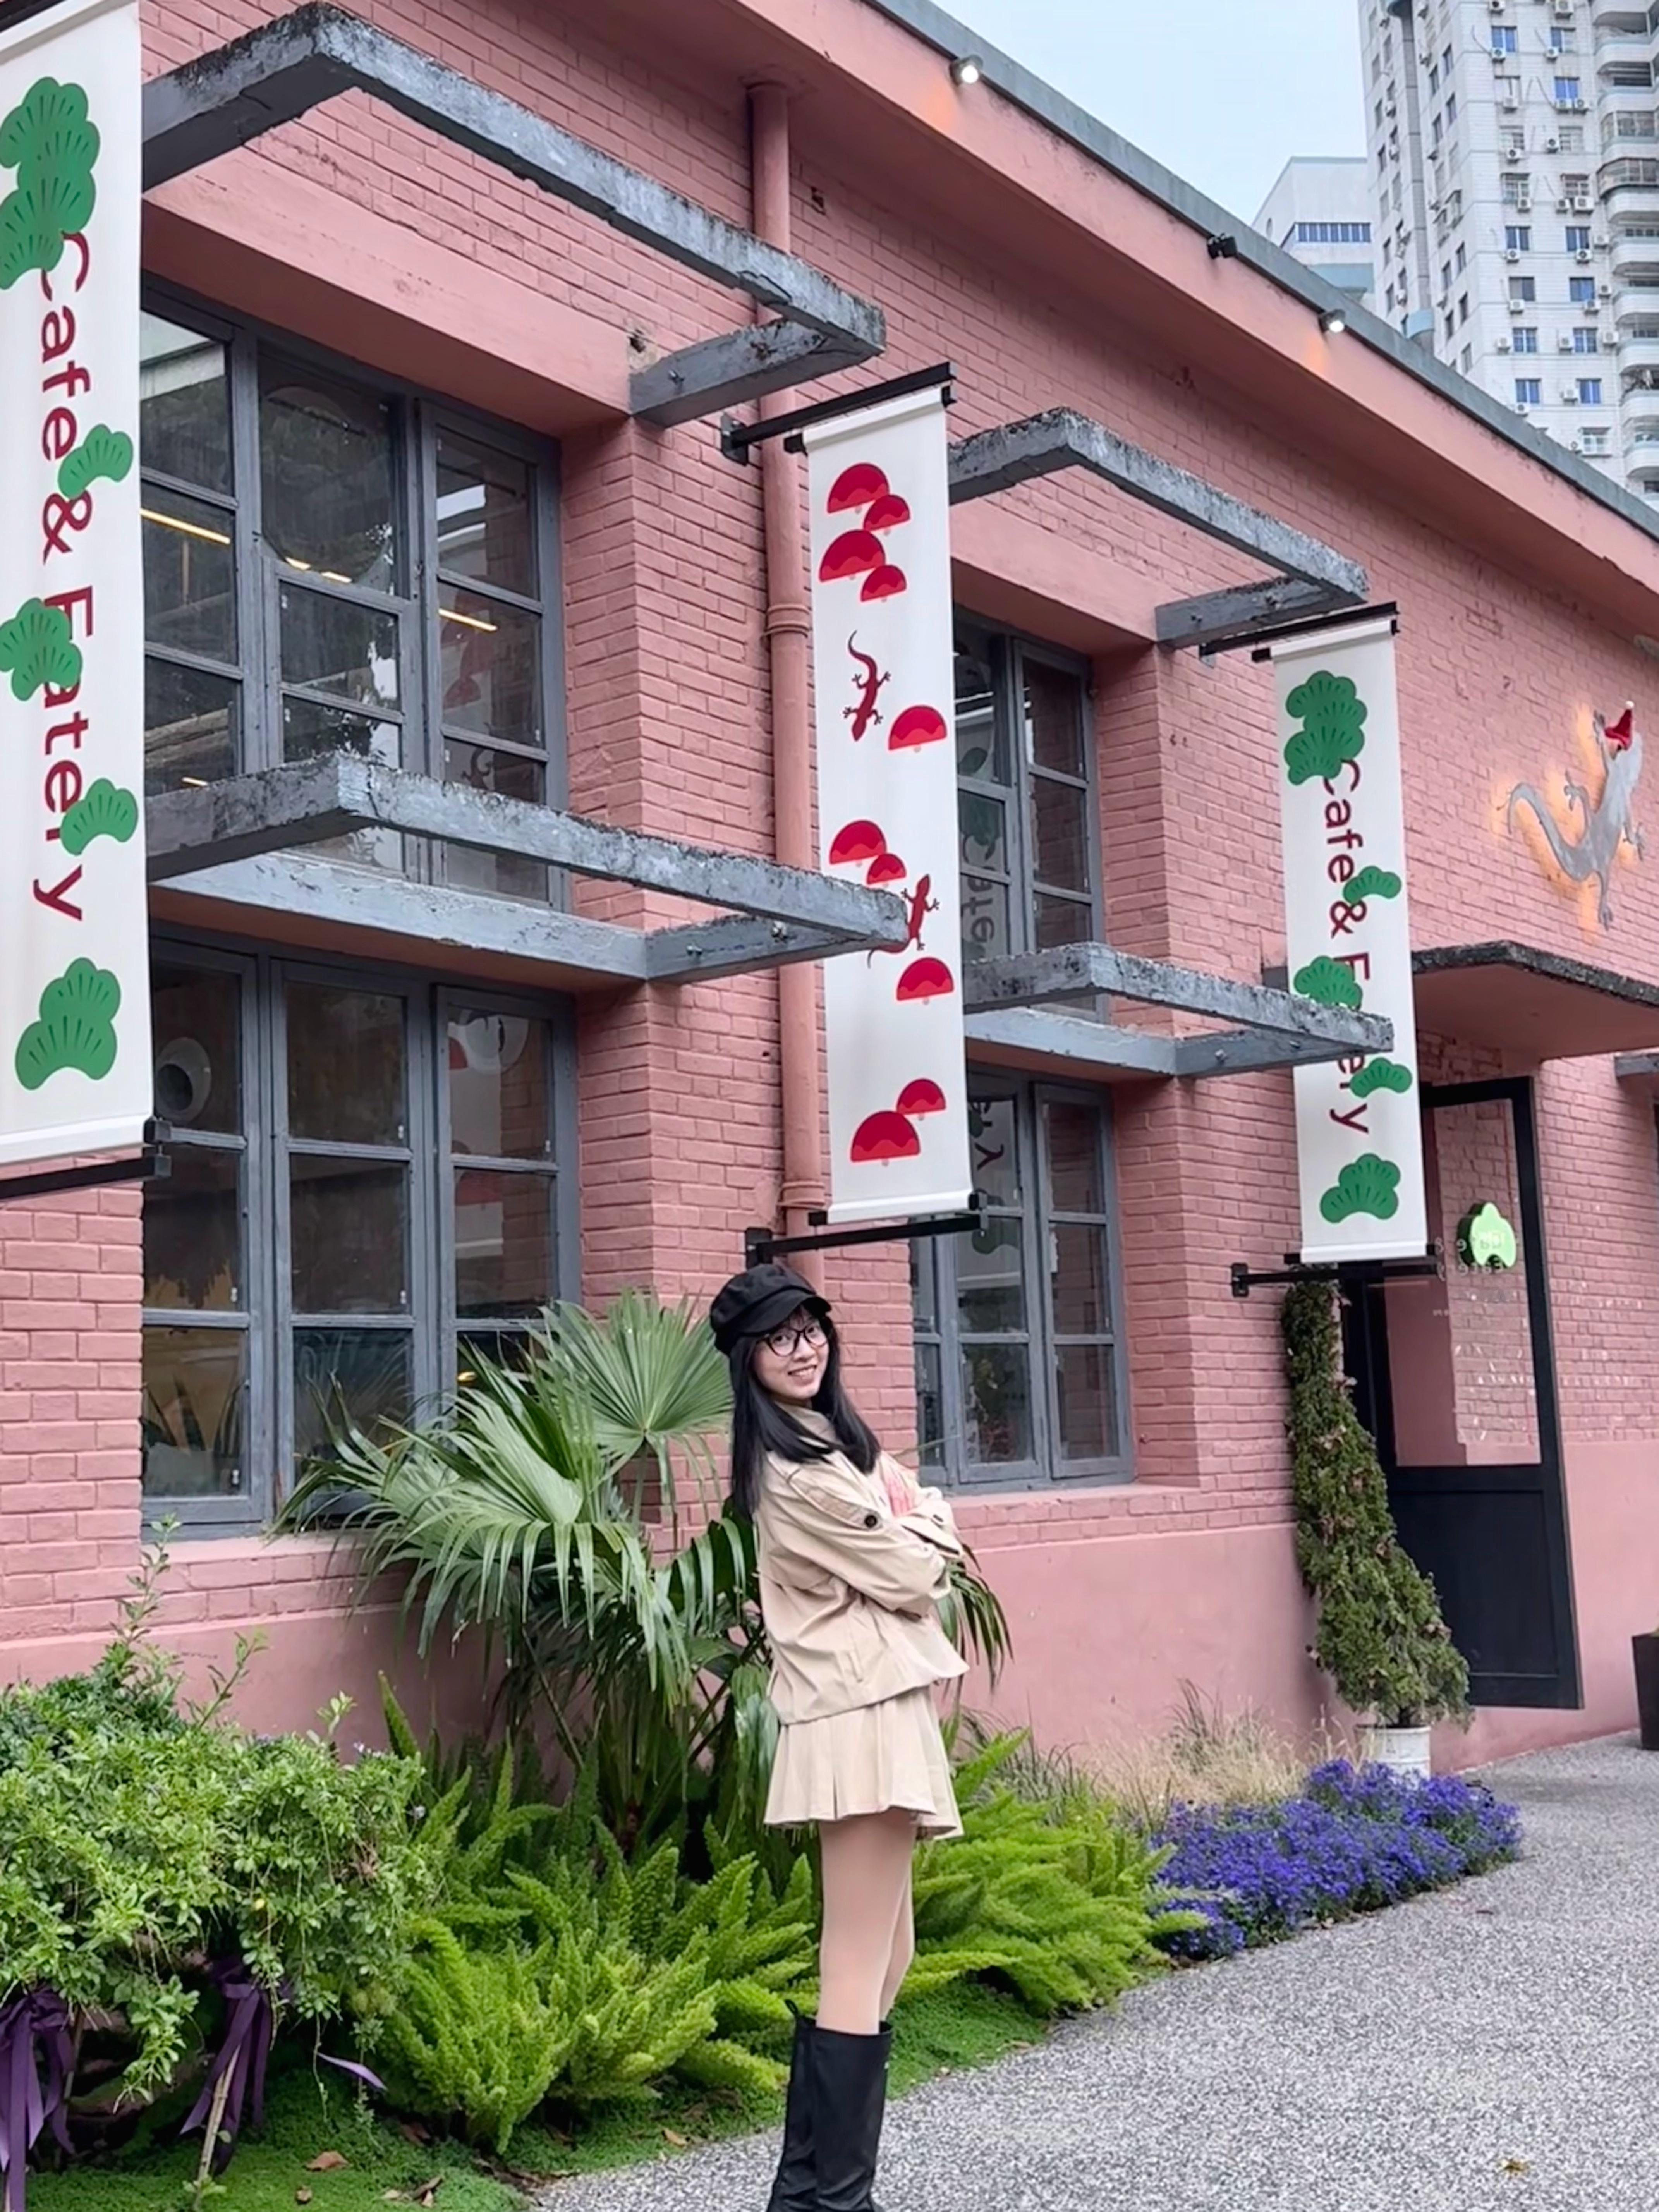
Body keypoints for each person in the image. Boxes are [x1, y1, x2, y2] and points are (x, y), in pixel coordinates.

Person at [709, 1262, 967, 2212]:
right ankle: (835, 2203)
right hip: (856, 1714)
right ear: (748, 1360)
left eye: (812, 1327)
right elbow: (917, 1572)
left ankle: (809, 2194)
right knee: (858, 1960)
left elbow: (918, 1526)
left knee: (888, 1955)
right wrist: (923, 1521)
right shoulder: (798, 1474)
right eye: (779, 1337)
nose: (803, 1347)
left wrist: (918, 1519)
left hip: (878, 1706)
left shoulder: (832, 1445)